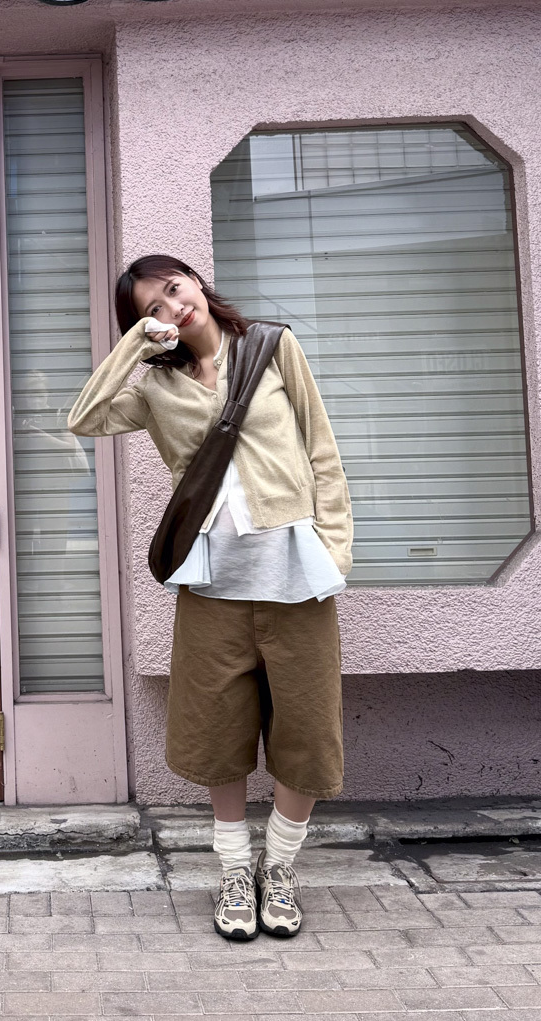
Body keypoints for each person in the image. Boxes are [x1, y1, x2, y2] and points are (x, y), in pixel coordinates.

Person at [67, 254, 352, 942]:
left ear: (195, 281)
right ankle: (233, 872)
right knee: (217, 734)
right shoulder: (157, 388)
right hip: (213, 585)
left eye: (174, 289)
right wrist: (136, 347)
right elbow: (85, 417)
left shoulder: (272, 347)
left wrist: (335, 550)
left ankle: (278, 868)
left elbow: (322, 451)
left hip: (295, 580)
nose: (172, 307)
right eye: (152, 308)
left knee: (306, 731)